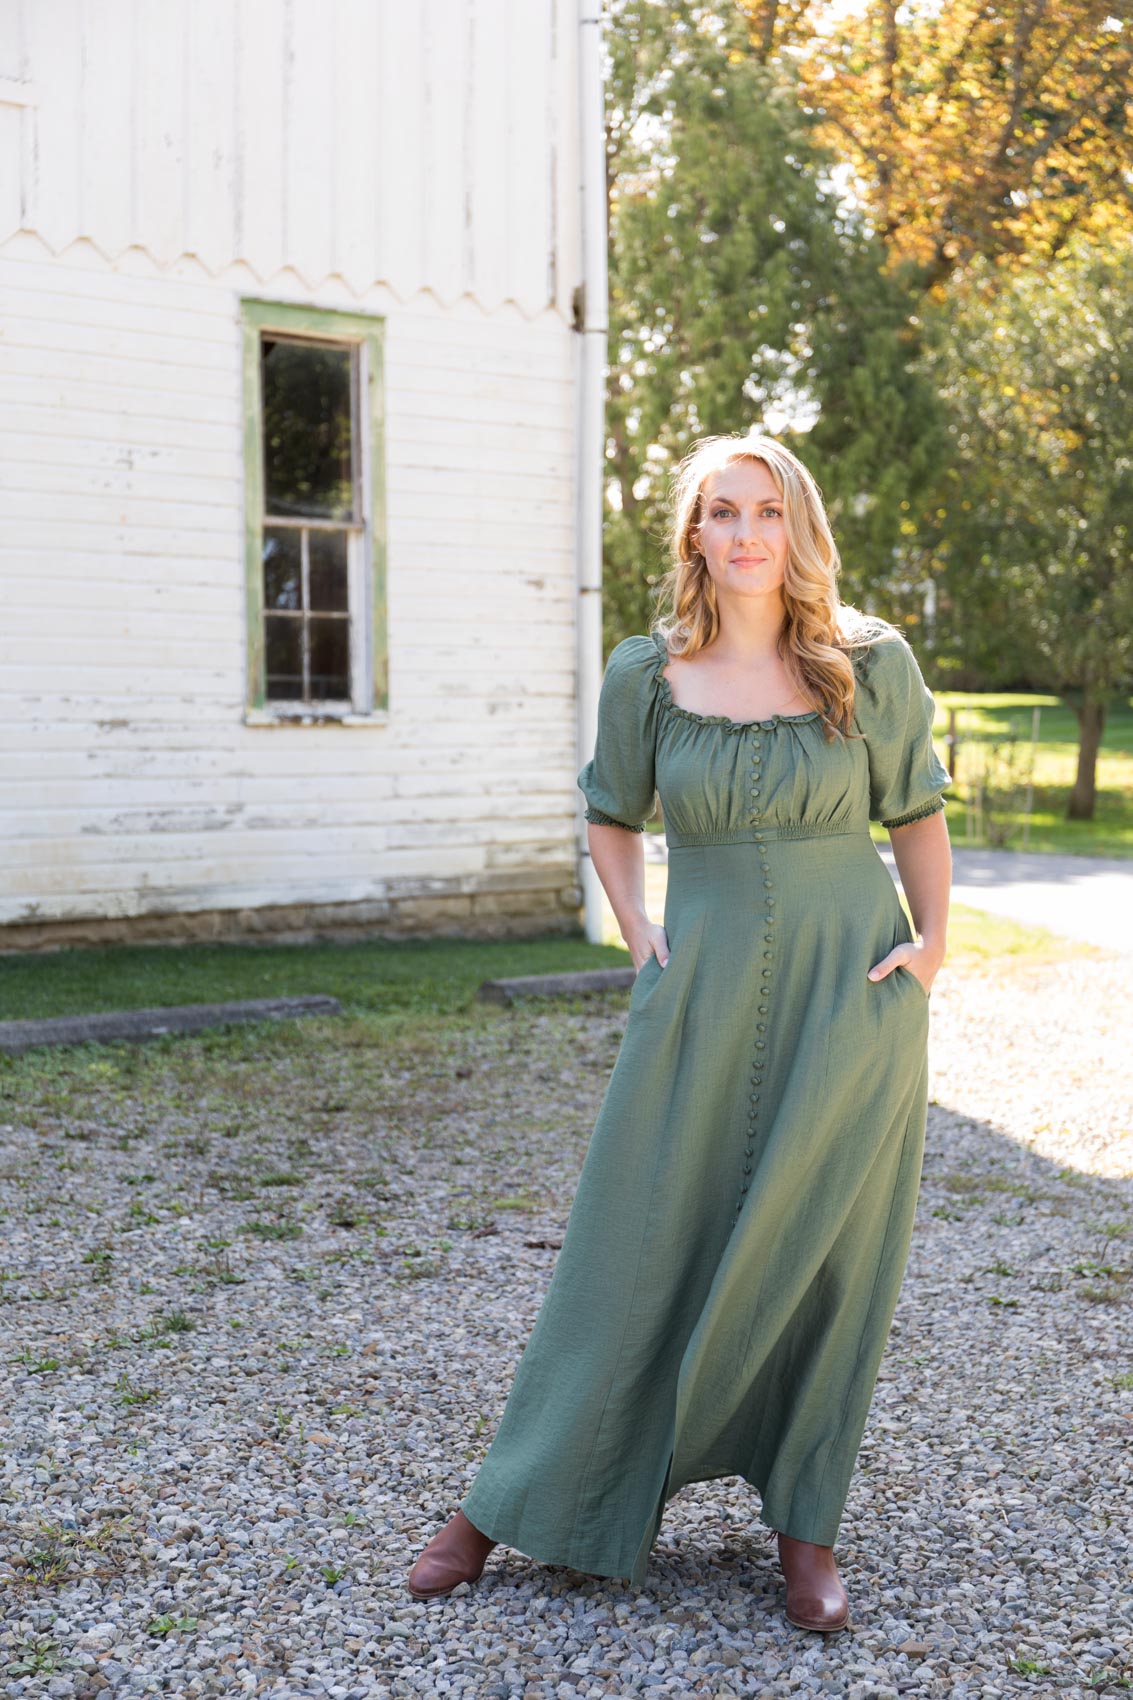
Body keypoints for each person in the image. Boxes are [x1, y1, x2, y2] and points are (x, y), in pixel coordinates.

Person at [407, 432, 952, 1632]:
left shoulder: (871, 664)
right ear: (693, 534)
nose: (746, 532)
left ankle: (803, 1526)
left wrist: (929, 949)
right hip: (694, 986)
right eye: (722, 511)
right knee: (633, 1237)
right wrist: (635, 923)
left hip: (846, 994)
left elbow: (914, 813)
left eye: (766, 509)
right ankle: (501, 1502)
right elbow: (610, 812)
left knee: (823, 1258)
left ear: (796, 525)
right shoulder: (646, 671)